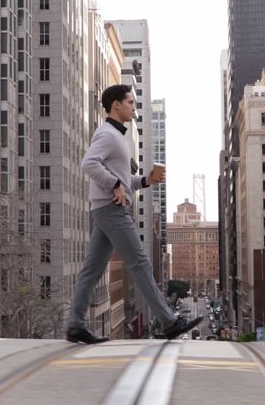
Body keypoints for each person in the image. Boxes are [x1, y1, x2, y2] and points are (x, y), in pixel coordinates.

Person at [65, 85, 203, 344]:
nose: (133, 107)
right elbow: (89, 163)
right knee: (140, 264)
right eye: (130, 102)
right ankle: (170, 322)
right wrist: (115, 185)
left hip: (105, 209)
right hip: (113, 210)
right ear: (116, 105)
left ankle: (75, 325)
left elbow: (123, 178)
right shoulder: (108, 134)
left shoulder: (117, 136)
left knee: (91, 271)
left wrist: (146, 180)